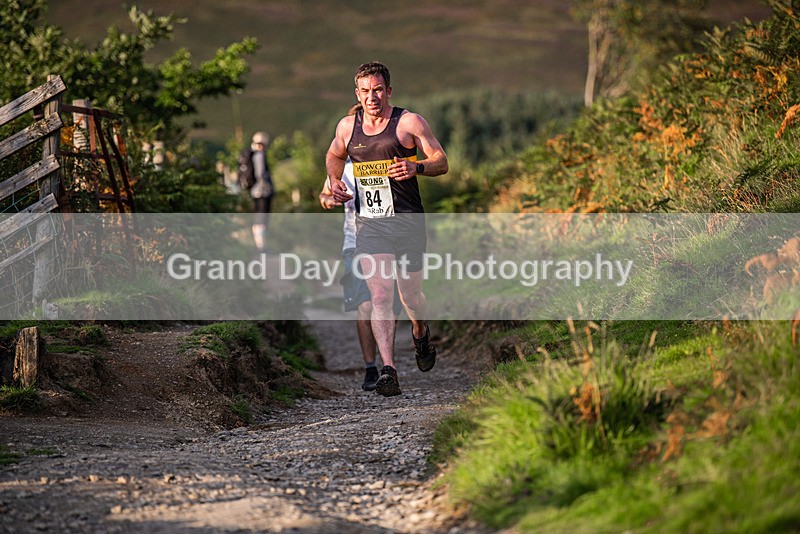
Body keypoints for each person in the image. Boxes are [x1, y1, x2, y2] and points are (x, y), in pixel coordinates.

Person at [325, 61, 448, 397]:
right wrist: (334, 181)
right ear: (357, 94)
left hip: (408, 222)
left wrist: (416, 166)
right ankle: (388, 370)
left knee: (410, 297)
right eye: (365, 91)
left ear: (388, 91)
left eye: (378, 89)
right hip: (370, 224)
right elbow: (334, 155)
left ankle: (420, 331)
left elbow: (441, 161)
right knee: (380, 295)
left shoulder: (408, 122)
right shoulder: (347, 127)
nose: (372, 97)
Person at [319, 104, 403, 391]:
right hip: (354, 241)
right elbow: (324, 196)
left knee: (387, 303)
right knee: (366, 305)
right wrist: (332, 199)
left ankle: (388, 366)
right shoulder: (342, 166)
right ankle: (371, 367)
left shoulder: (387, 159)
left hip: (390, 239)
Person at [239, 131, 275, 253]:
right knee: (261, 220)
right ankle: (261, 246)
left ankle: (260, 245)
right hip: (262, 192)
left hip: (255, 191)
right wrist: (267, 185)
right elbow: (261, 173)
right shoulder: (259, 155)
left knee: (259, 218)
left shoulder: (252, 154)